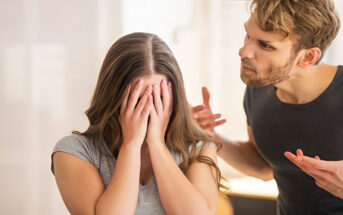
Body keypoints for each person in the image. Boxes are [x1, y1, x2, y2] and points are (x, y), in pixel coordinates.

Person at [192, 0, 343, 214]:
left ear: (308, 57)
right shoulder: (260, 87)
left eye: (265, 45)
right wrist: (209, 135)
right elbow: (263, 168)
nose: (244, 51)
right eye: (248, 35)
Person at [51, 32, 222, 215]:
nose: (149, 109)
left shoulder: (198, 148)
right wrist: (131, 146)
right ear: (114, 96)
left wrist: (157, 145)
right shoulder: (74, 151)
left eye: (159, 98)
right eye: (138, 99)